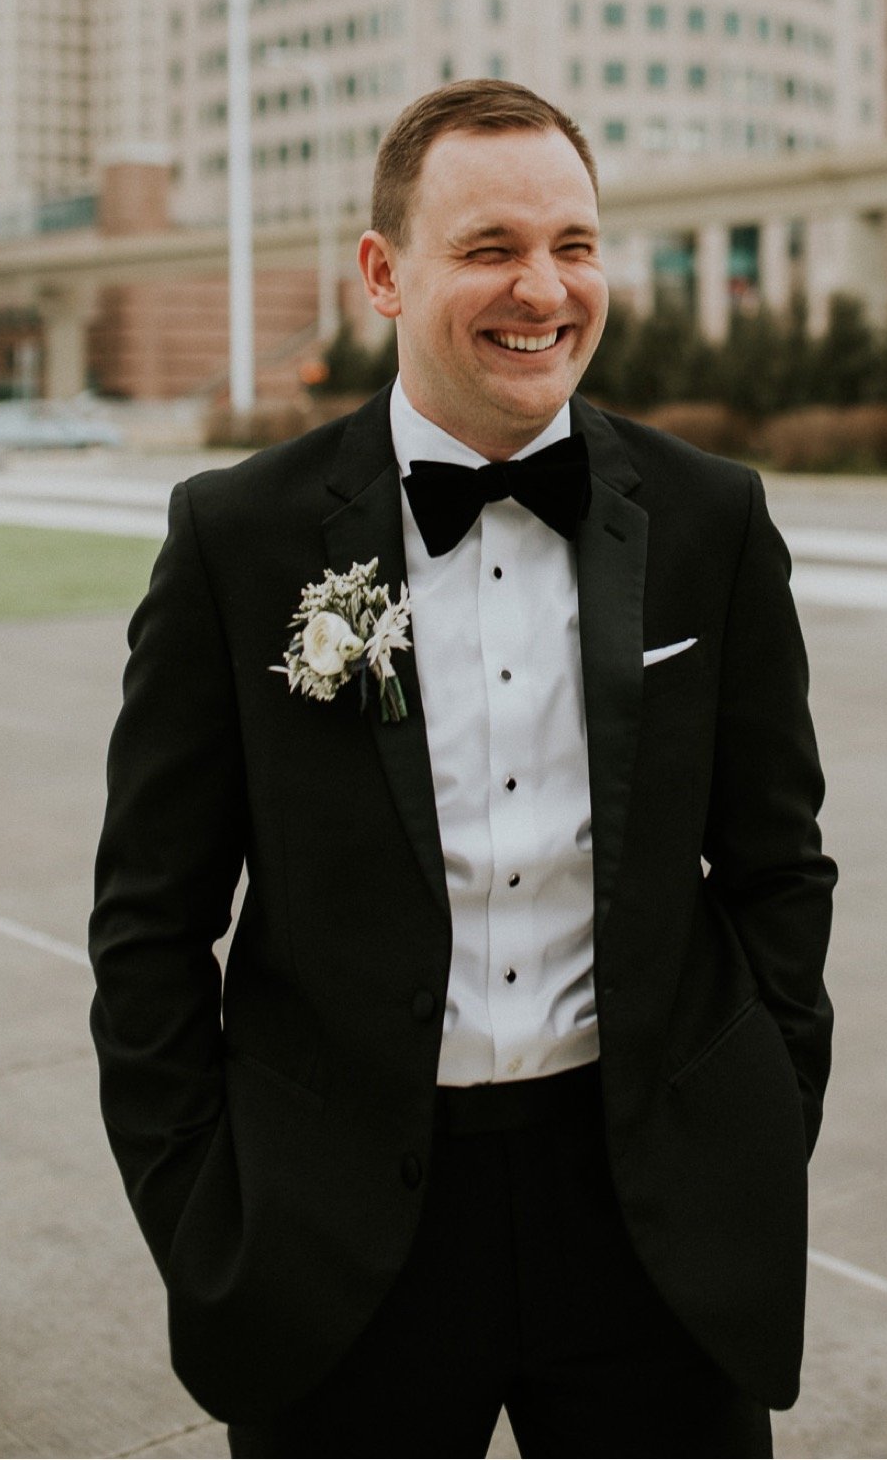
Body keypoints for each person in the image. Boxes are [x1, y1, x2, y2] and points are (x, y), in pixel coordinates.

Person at [90, 78, 836, 1459]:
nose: (543, 288)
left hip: (651, 1218)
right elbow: (149, 920)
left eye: (574, 243)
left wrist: (765, 1121)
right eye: (490, 246)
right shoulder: (235, 539)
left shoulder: (712, 520)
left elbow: (781, 863)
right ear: (383, 272)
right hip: (339, 1238)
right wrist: (205, 1208)